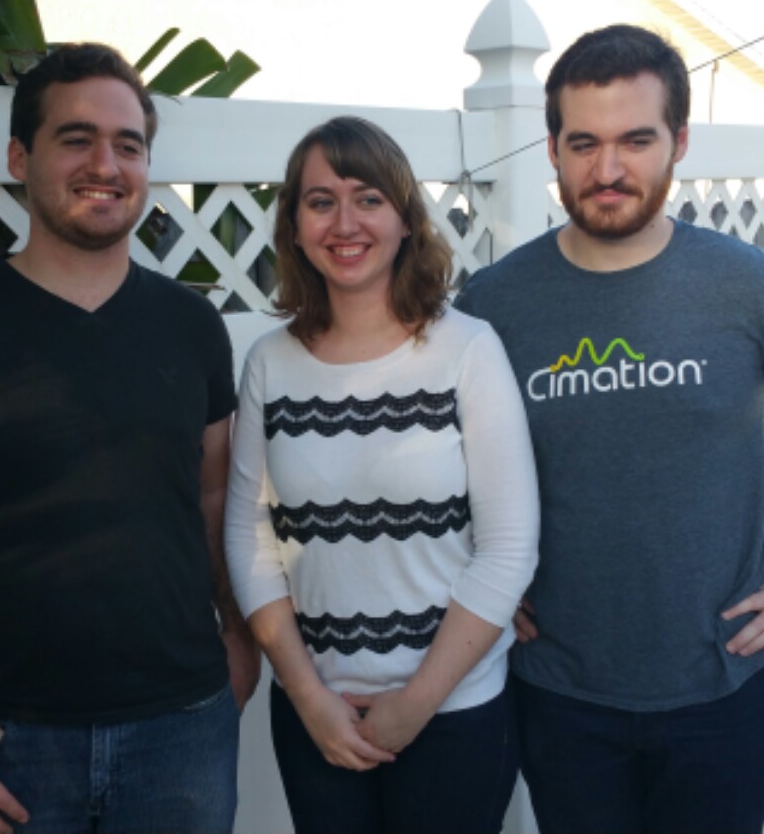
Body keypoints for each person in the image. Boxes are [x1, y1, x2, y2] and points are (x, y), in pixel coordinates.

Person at [453, 24, 764, 834]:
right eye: (584, 143)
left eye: (636, 140)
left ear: (679, 142)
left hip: (721, 690)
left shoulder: (747, 286)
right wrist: (480, 574)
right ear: (552, 149)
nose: (608, 170)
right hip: (557, 691)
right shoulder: (494, 304)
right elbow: (438, 459)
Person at [0, 42, 259, 834]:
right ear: (18, 157)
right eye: (76, 138)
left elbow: (214, 496)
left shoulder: (192, 326)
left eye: (128, 145)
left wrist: (242, 640)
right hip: (9, 747)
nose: (106, 164)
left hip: (183, 732)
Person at [224, 116, 538, 834]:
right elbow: (250, 539)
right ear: (295, 226)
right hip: (316, 716)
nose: (345, 223)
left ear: (404, 218)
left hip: (454, 714)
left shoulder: (467, 349)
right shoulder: (269, 363)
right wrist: (308, 696)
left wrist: (415, 704)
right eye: (321, 201)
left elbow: (509, 546)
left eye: (368, 198)